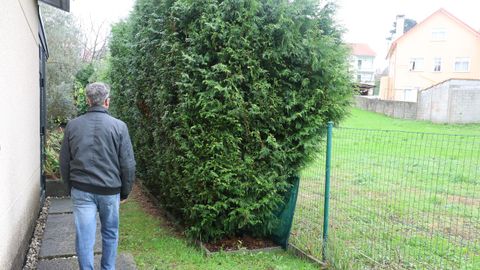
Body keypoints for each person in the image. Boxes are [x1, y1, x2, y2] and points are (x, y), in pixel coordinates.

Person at [60, 82, 136, 270]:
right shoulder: (119, 127)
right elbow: (128, 164)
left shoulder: (72, 126)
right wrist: (124, 192)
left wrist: (70, 187)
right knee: (110, 233)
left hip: (81, 190)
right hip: (110, 191)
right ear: (107, 102)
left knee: (84, 237)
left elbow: (64, 162)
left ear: (88, 100)